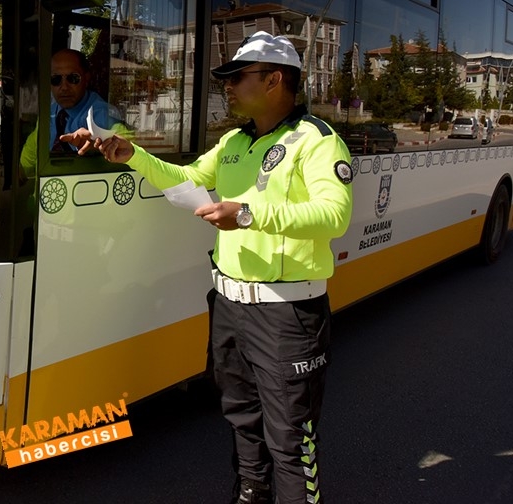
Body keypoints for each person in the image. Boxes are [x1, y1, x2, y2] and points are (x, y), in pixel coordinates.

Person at [64, 32, 354, 504]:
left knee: (289, 439)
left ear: (275, 79)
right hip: (229, 307)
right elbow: (186, 180)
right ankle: (250, 495)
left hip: (287, 315)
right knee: (241, 416)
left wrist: (248, 214)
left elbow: (334, 216)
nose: (229, 87)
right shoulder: (234, 143)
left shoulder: (317, 142)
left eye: (237, 77)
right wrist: (129, 153)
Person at [20, 49, 121, 177]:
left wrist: (95, 148)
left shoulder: (102, 113)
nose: (64, 87)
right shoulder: (50, 112)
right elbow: (30, 156)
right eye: (56, 79)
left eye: (73, 78)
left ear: (86, 78)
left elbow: (124, 143)